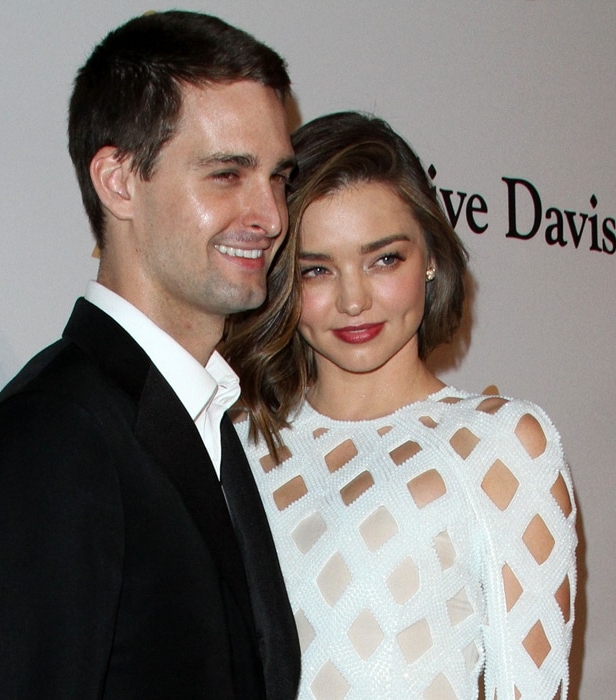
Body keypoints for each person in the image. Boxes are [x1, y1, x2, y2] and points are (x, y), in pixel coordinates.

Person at [0, 11, 300, 699]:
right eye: (227, 175)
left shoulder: (204, 419)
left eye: (278, 177)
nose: (271, 215)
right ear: (119, 181)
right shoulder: (53, 435)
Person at [223, 111, 577, 699]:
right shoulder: (236, 442)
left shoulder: (499, 443)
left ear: (430, 257)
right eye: (317, 270)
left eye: (384, 259)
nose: (354, 300)